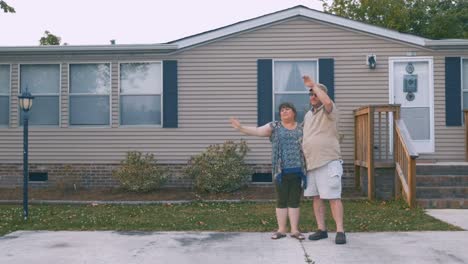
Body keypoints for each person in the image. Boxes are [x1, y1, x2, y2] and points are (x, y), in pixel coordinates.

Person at [230, 102, 306, 240]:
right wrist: (241, 128)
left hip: (298, 170)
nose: (284, 111)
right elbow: (258, 131)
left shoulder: (301, 128)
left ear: (294, 112)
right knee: (281, 200)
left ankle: (295, 230)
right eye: (282, 110)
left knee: (294, 200)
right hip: (280, 171)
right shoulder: (275, 126)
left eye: (287, 109)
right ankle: (281, 230)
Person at [302, 75, 346, 245]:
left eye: (315, 93)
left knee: (334, 197)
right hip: (311, 163)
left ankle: (340, 231)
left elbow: (326, 102)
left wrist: (313, 84)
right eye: (310, 94)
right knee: (316, 197)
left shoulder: (330, 109)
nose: (313, 96)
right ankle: (322, 229)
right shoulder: (308, 115)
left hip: (328, 161)